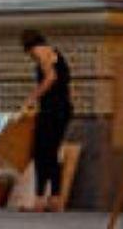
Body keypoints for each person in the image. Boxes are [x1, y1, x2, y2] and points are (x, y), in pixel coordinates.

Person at [19, 31, 74, 213]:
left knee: (41, 152)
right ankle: (55, 198)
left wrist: (32, 97)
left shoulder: (41, 52)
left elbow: (51, 78)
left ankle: (40, 199)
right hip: (62, 109)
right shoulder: (55, 53)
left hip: (52, 111)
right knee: (51, 153)